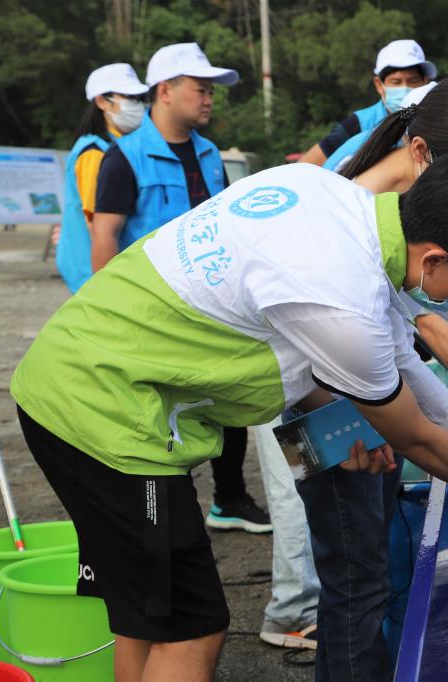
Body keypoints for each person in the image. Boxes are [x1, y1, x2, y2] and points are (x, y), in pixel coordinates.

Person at [12, 152, 448, 681]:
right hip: (106, 413)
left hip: (72, 371)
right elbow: (417, 439)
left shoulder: (323, 193)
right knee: (192, 628)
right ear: (433, 261)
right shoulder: (344, 298)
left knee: (150, 617)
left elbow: (393, 352)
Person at [255, 75, 448, 662]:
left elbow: (408, 323)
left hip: (366, 394)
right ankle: (316, 634)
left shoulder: (392, 222)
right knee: (352, 579)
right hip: (322, 409)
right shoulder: (350, 225)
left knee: (369, 566)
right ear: (422, 153)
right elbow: (411, 328)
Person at [89, 43, 269, 533]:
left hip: (212, 304)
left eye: (211, 91)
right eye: (200, 89)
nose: (208, 99)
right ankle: (168, 512)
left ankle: (229, 498)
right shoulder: (124, 157)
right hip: (152, 311)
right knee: (162, 414)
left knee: (228, 398)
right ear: (164, 91)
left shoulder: (210, 154)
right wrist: (109, 314)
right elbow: (105, 235)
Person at [57, 64, 148, 294]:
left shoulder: (114, 147)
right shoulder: (94, 153)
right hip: (92, 273)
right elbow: (96, 226)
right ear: (101, 102)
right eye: (129, 97)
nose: (137, 105)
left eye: (139, 98)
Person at [299, 39, 435, 166]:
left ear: (425, 82)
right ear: (379, 85)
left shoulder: (438, 121)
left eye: (413, 81)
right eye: (396, 82)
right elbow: (305, 165)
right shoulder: (357, 125)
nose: (405, 88)